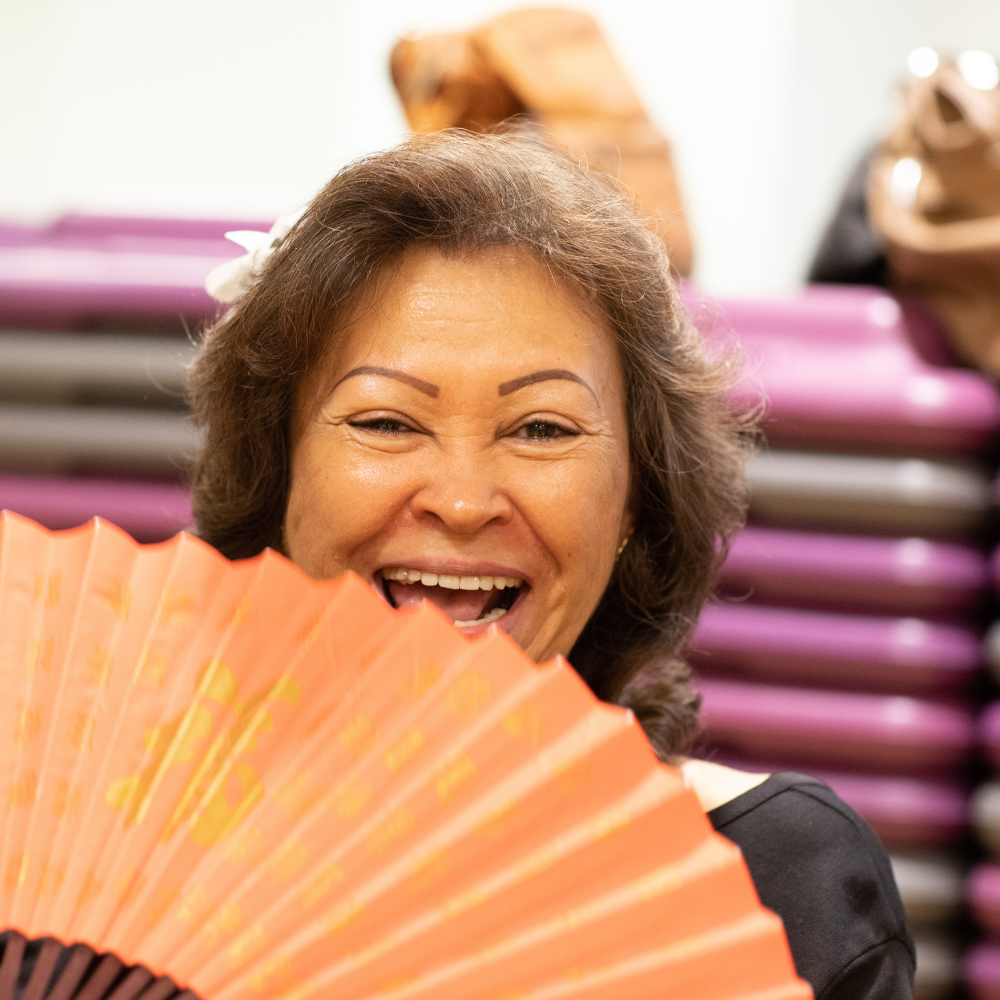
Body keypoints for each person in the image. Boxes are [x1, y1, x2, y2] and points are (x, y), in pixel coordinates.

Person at [190, 130, 914, 999]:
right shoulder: (129, 862)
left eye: (542, 429)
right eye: (387, 422)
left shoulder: (777, 883)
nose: (462, 502)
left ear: (636, 495)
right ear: (279, 477)